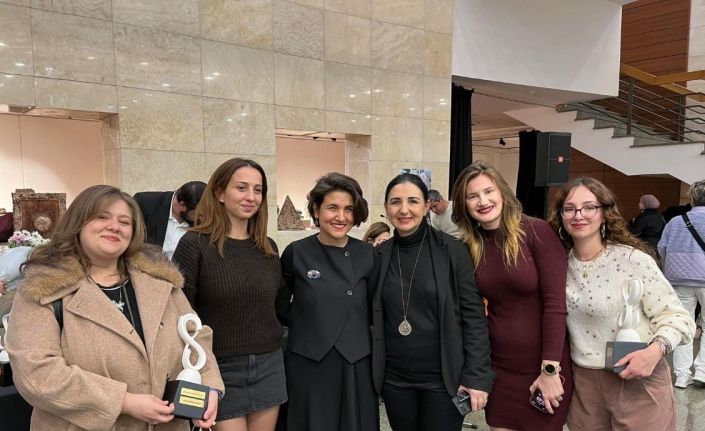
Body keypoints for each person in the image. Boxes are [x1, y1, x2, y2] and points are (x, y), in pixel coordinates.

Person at [6, 185, 223, 431]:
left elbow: (195, 335)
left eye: (124, 221)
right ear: (78, 222)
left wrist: (209, 386)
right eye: (102, 217)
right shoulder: (44, 290)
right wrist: (123, 401)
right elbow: (37, 374)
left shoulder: (161, 282)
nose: (114, 227)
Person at [547, 177, 695, 431]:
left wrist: (654, 352)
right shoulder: (559, 264)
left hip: (637, 380)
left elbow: (677, 318)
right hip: (585, 386)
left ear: (604, 213)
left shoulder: (632, 260)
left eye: (589, 207)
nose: (578, 215)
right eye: (569, 208)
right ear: (560, 216)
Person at [449, 161, 573, 431]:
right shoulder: (470, 245)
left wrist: (550, 370)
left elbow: (555, 306)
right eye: (472, 196)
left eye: (488, 191)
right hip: (500, 369)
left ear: (503, 192)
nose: (483, 201)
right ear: (464, 204)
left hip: (543, 367)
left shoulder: (536, 232)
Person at [371, 173, 493, 431]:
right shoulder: (379, 255)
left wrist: (476, 376)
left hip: (444, 380)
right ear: (386, 207)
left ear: (427, 206)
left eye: (413, 201)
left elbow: (474, 318)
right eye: (395, 202)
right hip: (395, 381)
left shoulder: (453, 251)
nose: (404, 210)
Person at [172, 159, 286, 431]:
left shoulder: (267, 247)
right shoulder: (194, 245)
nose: (251, 197)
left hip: (268, 364)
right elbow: (180, 314)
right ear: (220, 193)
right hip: (217, 368)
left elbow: (278, 306)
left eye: (258, 190)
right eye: (241, 188)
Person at [276, 172, 379, 431]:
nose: (341, 217)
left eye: (348, 209)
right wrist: (308, 325)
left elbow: (374, 309)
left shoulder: (368, 255)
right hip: (308, 361)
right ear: (316, 209)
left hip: (355, 362)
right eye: (332, 207)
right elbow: (280, 305)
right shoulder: (296, 253)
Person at [658, 180, 705, 389]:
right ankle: (702, 371)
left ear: (692, 199)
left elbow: (662, 248)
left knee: (683, 326)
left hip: (679, 280)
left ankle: (682, 375)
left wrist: (670, 268)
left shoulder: (676, 222)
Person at [134, 181, 206, 259]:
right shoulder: (143, 204)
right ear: (182, 206)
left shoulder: (206, 219)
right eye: (199, 215)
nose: (203, 219)